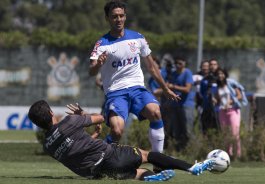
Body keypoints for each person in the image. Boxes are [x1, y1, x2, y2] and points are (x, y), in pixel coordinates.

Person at [28, 100, 215, 181]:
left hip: (94, 173)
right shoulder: (70, 121)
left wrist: (92, 136)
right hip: (109, 155)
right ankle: (192, 167)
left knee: (137, 173)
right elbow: (101, 118)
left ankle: (151, 178)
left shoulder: (48, 146)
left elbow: (74, 150)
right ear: (51, 112)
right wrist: (82, 114)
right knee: (146, 154)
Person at [88, 0, 180, 156]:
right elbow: (91, 71)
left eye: (121, 16)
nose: (118, 20)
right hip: (115, 92)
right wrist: (98, 65)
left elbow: (152, 67)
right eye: (114, 16)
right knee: (117, 131)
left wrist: (165, 89)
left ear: (125, 16)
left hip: (137, 88)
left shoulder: (138, 38)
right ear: (107, 18)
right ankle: (99, 156)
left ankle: (158, 161)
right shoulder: (102, 44)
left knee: (155, 112)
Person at [214, 68, 247, 158]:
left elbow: (239, 95)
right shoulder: (218, 86)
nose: (220, 76)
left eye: (221, 74)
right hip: (222, 111)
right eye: (218, 74)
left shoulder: (230, 84)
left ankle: (238, 154)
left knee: (235, 134)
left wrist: (231, 102)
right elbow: (218, 99)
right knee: (225, 134)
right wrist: (215, 100)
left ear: (225, 75)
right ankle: (228, 154)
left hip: (233, 110)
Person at [166, 57, 195, 149]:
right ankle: (179, 150)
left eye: (180, 63)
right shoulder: (173, 74)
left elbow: (187, 89)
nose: (178, 65)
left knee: (187, 129)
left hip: (186, 105)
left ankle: (190, 149)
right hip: (175, 105)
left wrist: (173, 86)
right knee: (177, 130)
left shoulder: (187, 73)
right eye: (177, 63)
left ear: (184, 64)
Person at [200, 58, 220, 134]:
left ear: (218, 66)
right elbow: (202, 93)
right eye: (211, 64)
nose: (212, 66)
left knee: (218, 131)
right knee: (206, 132)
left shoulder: (220, 78)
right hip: (206, 109)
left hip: (217, 109)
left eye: (214, 64)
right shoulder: (204, 79)